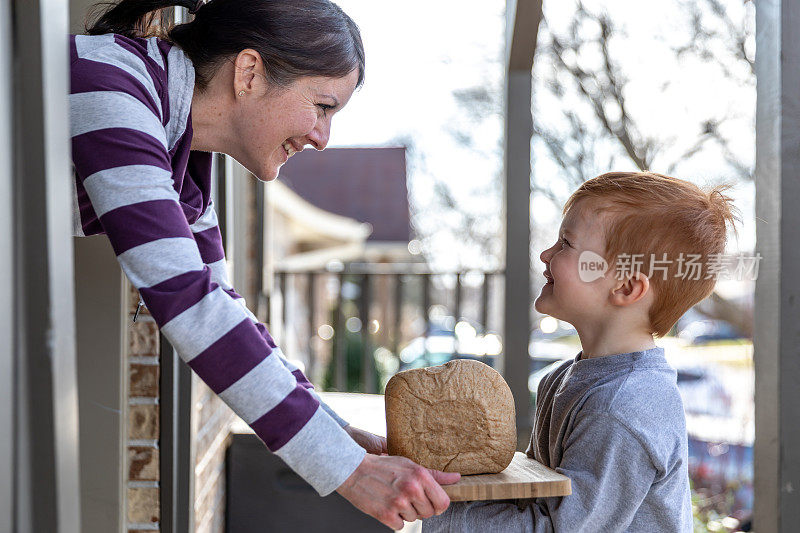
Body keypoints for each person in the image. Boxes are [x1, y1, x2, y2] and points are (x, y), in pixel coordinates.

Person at [70, 0, 459, 529]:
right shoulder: (116, 87)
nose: (324, 138)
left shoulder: (184, 164)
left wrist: (341, 434)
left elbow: (222, 306)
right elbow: (190, 303)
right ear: (249, 73)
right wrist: (347, 470)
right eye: (322, 106)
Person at [423, 171, 740, 532]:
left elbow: (558, 529)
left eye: (566, 243)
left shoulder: (622, 408)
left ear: (625, 286)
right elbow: (534, 494)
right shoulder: (564, 378)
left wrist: (439, 511)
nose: (546, 254)